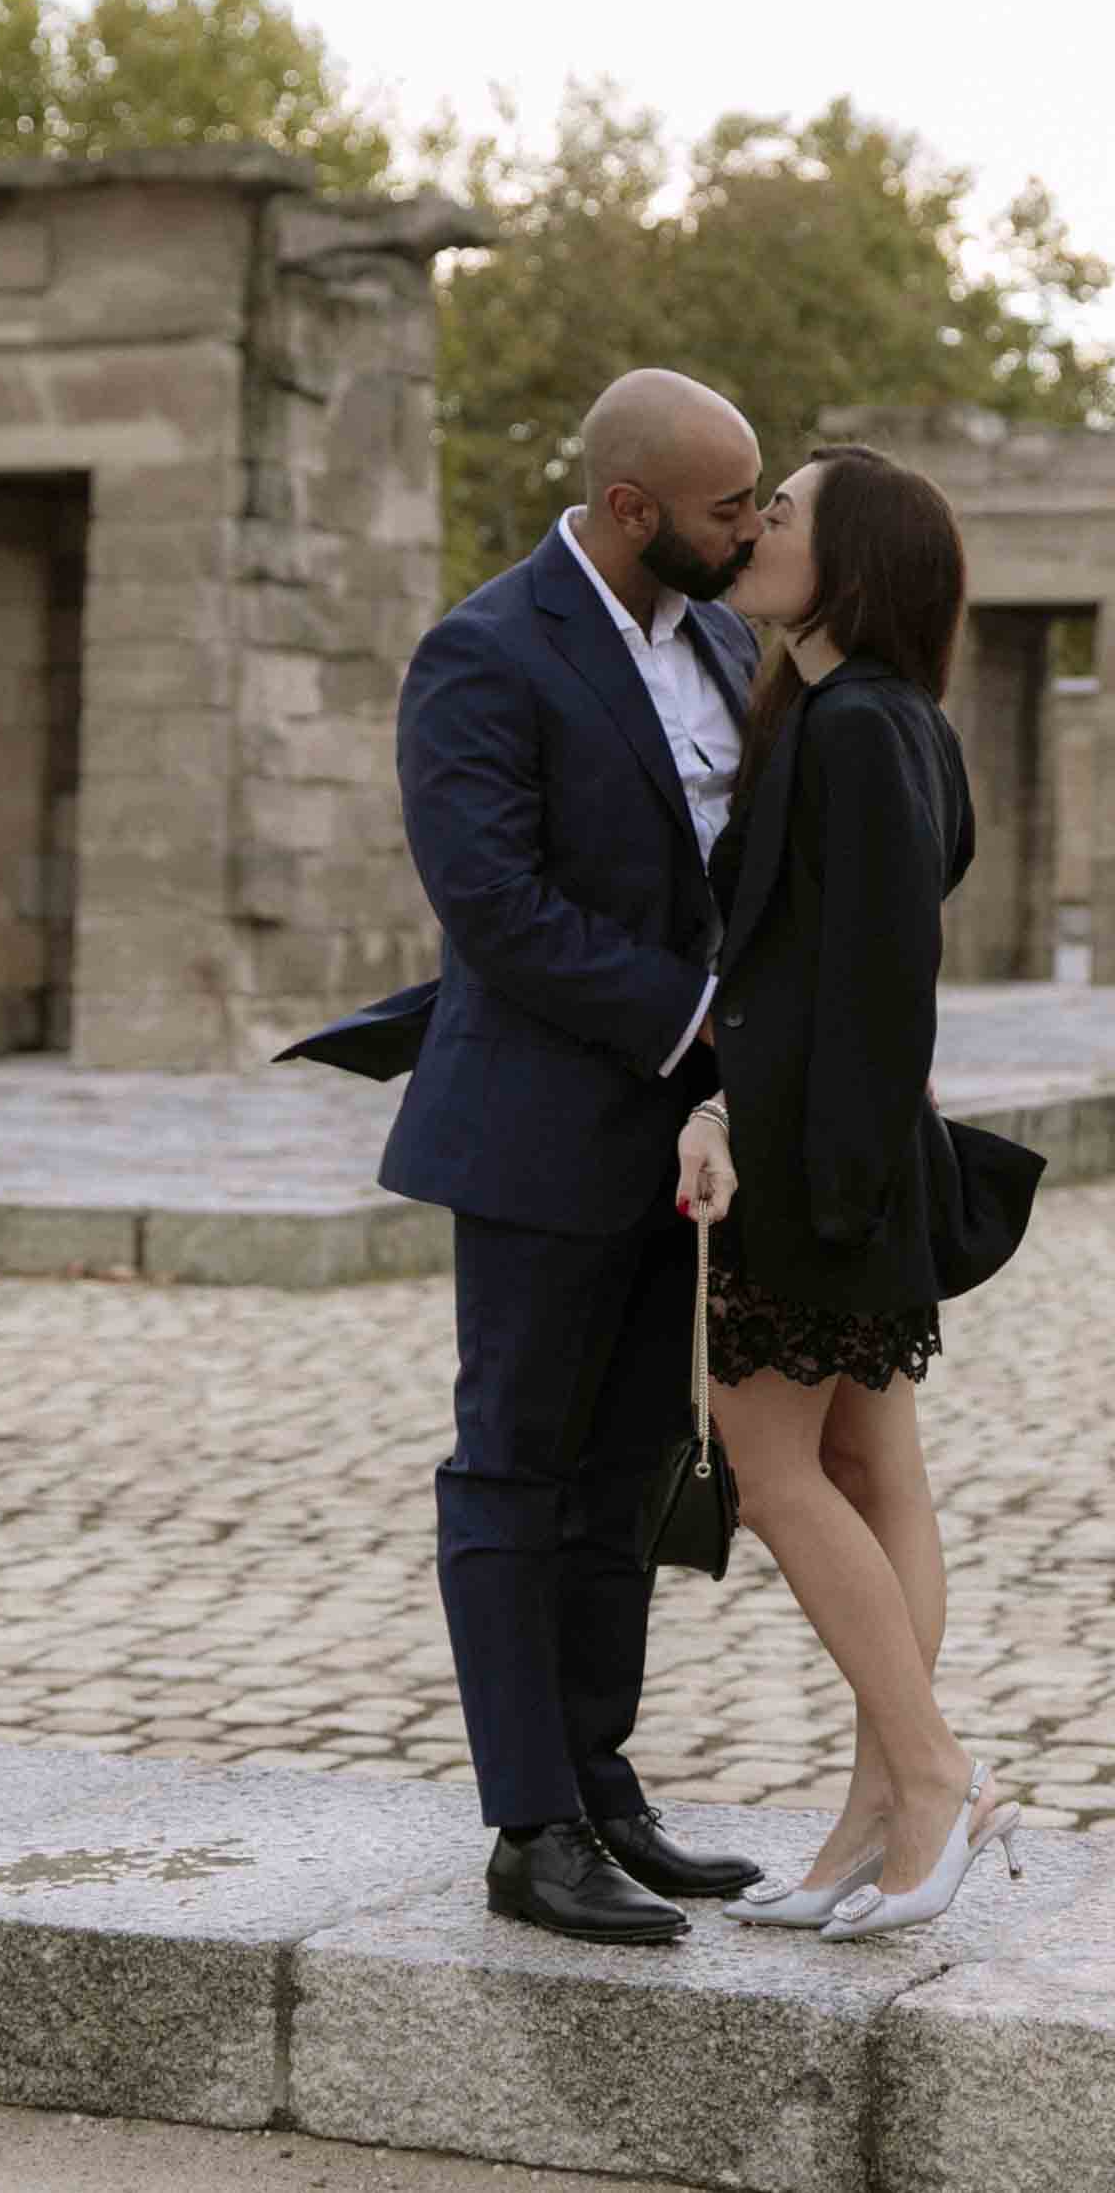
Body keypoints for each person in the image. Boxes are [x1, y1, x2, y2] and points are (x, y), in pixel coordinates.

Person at [333, 369, 775, 1944]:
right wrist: (707, 1017)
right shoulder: (483, 650)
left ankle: (603, 1783)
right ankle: (528, 1823)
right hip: (539, 1134)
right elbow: (495, 905)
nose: (755, 525)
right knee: (513, 1470)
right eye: (732, 505)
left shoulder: (729, 641)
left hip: (691, 1149)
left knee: (625, 1472)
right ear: (635, 506)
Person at [676, 443, 1043, 1943]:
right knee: (876, 1469)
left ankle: (937, 1773)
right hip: (848, 1146)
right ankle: (871, 1810)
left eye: (789, 512)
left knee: (769, 1471)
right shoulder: (850, 717)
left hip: (824, 1159)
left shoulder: (860, 729)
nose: (758, 528)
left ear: (860, 558)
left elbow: (878, 982)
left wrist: (762, 1140)